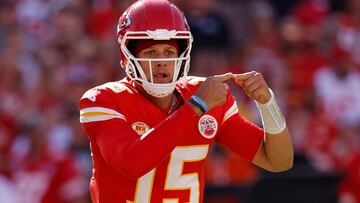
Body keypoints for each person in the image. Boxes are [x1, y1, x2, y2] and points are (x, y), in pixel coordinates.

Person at [78, 0, 293, 202]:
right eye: (151, 52)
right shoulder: (103, 99)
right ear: (127, 55)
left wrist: (267, 103)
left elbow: (278, 161)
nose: (161, 62)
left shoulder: (203, 95)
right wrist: (196, 106)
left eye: (169, 51)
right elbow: (132, 163)